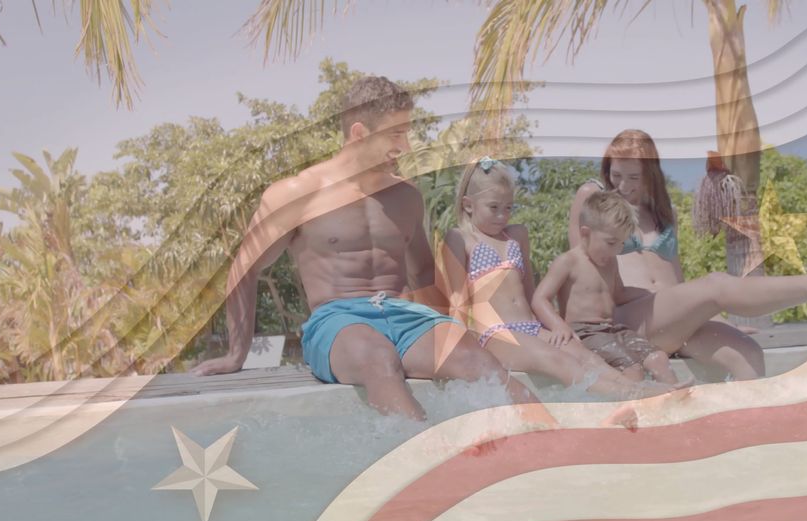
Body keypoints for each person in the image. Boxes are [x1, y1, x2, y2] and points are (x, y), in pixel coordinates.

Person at [190, 76, 556, 428]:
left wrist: (450, 329)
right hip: (337, 322)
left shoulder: (405, 196)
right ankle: (435, 467)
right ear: (360, 133)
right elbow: (244, 268)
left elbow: (424, 274)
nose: (407, 146)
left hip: (405, 315)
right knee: (380, 359)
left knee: (480, 362)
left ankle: (560, 448)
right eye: (396, 134)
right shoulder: (297, 193)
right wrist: (236, 353)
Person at [568, 129, 807, 380]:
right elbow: (579, 269)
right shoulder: (595, 199)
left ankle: (750, 445)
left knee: (747, 353)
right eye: (616, 174)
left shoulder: (664, 212)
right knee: (717, 284)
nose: (622, 185)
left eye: (634, 177)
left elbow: (676, 280)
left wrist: (710, 314)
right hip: (628, 322)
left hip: (673, 321)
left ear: (651, 174)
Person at [441, 156, 680, 399]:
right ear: (468, 204)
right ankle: (633, 395)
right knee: (558, 360)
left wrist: (555, 325)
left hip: (530, 327)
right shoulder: (460, 238)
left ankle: (637, 391)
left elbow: (530, 291)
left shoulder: (516, 235)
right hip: (494, 332)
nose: (503, 215)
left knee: (584, 354)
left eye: (509, 207)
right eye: (494, 207)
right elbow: (457, 302)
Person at [532, 192, 682, 386]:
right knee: (632, 369)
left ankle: (678, 401)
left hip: (612, 329)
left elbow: (619, 294)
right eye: (611, 243)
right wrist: (558, 326)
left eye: (621, 244)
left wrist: (654, 294)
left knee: (659, 358)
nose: (616, 251)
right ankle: (630, 411)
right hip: (584, 332)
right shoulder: (568, 262)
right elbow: (540, 298)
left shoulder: (610, 262)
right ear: (585, 233)